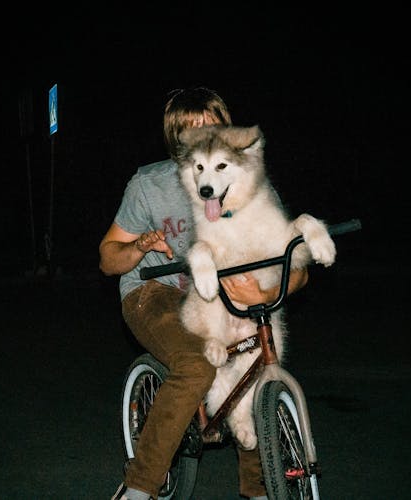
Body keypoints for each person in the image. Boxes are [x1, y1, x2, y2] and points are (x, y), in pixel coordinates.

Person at [100, 87, 309, 500]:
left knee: (258, 358)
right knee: (197, 365)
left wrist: (265, 287)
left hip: (218, 300)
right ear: (176, 141)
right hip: (155, 291)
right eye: (191, 131)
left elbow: (291, 263)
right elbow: (108, 259)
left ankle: (259, 490)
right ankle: (140, 485)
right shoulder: (149, 184)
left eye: (212, 126)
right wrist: (140, 246)